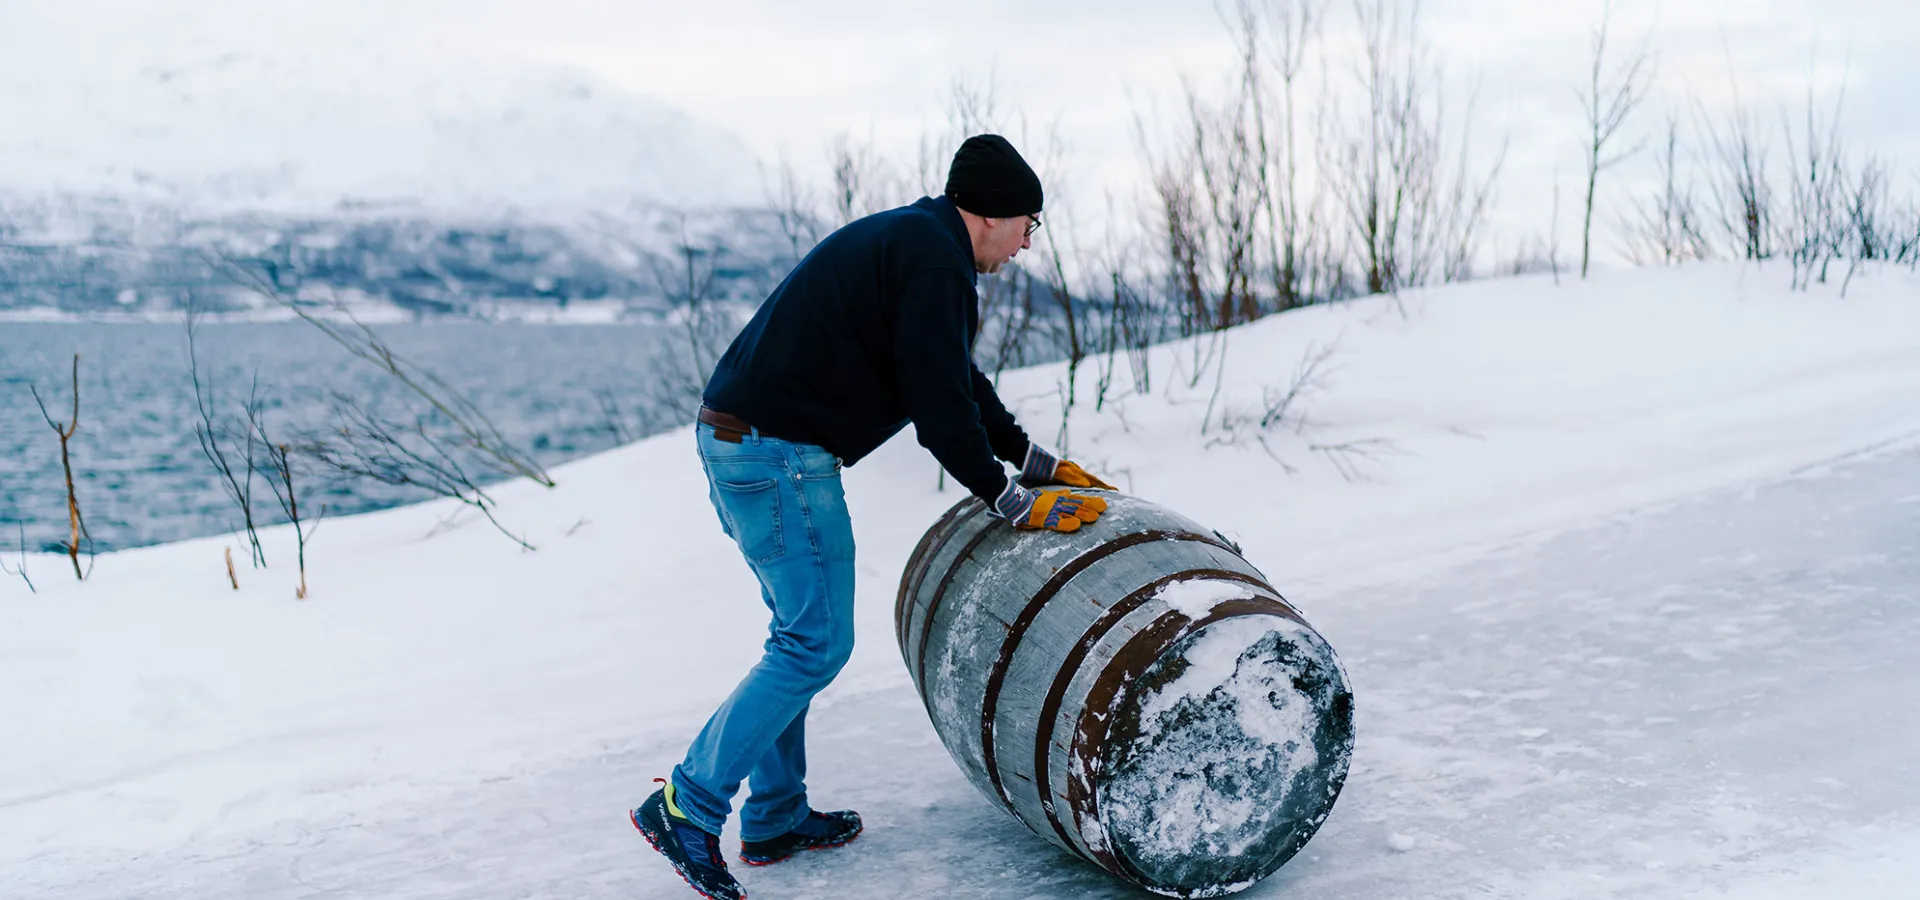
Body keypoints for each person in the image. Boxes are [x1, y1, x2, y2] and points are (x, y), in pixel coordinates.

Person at [630, 134, 1116, 900]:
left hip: (745, 443)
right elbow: (938, 414)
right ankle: (686, 806)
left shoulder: (920, 244)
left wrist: (1031, 460)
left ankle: (776, 818)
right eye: (1031, 221)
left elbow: (952, 376)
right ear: (991, 212)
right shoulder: (933, 260)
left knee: (797, 636)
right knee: (815, 643)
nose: (1029, 241)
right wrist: (1010, 499)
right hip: (776, 453)